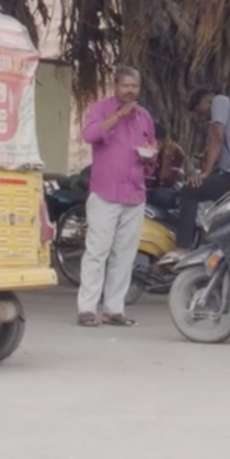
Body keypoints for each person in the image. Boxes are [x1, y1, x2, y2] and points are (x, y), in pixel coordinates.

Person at [77, 65, 156, 328]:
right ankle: (87, 309)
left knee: (125, 254)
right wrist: (119, 116)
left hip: (134, 193)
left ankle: (113, 309)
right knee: (97, 252)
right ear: (116, 87)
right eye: (126, 86)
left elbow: (150, 146)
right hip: (105, 192)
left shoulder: (144, 116)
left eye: (134, 86)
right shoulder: (101, 109)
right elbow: (89, 135)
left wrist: (151, 155)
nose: (130, 90)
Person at [164, 87, 230, 252]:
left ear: (207, 102)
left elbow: (217, 139)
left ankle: (182, 247)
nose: (201, 116)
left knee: (190, 190)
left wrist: (205, 173)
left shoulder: (220, 101)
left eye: (199, 110)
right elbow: (217, 143)